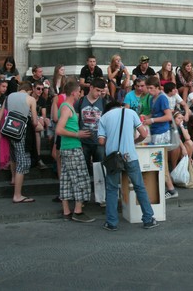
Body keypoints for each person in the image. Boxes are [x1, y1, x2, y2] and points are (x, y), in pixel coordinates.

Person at [98, 101, 158, 231]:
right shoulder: (131, 113)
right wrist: (133, 141)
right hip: (130, 155)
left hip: (113, 158)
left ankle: (112, 222)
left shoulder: (104, 118)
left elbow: (101, 141)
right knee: (139, 186)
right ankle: (148, 219)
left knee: (112, 189)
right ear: (120, 106)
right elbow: (143, 134)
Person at [55, 80, 94, 222]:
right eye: (79, 91)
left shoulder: (66, 106)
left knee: (66, 179)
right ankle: (78, 211)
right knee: (81, 178)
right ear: (73, 92)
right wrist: (78, 134)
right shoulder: (67, 108)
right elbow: (59, 129)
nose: (80, 94)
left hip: (67, 147)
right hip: (72, 147)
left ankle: (66, 211)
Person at [0, 81, 39, 203]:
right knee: (23, 161)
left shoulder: (8, 97)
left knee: (13, 156)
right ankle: (17, 195)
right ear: (29, 90)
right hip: (22, 133)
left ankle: (14, 179)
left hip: (8, 130)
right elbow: (35, 122)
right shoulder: (31, 99)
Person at [142, 76, 178, 199]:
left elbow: (168, 116)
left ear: (158, 87)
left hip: (162, 132)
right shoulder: (153, 98)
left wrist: (151, 120)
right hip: (156, 132)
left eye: (151, 88)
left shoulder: (162, 98)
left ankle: (170, 189)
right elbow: (155, 113)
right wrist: (147, 117)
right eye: (148, 88)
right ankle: (169, 188)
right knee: (159, 162)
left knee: (160, 162)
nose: (149, 90)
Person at [75, 77, 106, 170]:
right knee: (83, 169)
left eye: (101, 91)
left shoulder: (104, 102)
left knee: (100, 170)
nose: (99, 93)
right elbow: (76, 120)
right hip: (84, 141)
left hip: (99, 141)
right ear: (91, 87)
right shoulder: (80, 101)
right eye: (97, 90)